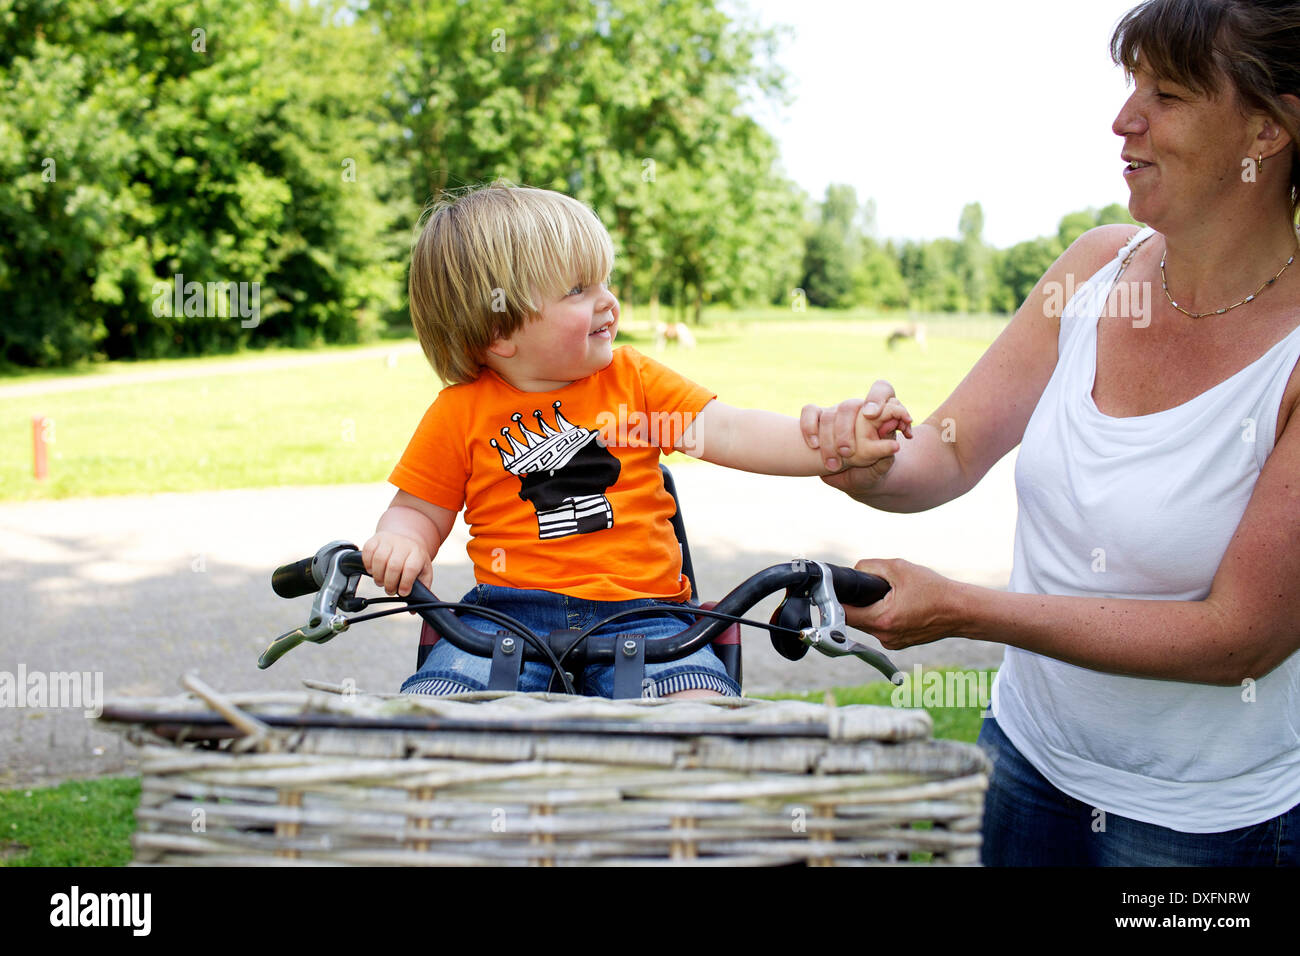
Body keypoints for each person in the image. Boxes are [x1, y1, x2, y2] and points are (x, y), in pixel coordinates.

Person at [801, 0, 1300, 865]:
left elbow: (1239, 639)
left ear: (1266, 131)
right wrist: (872, 459)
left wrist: (964, 609)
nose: (1123, 118)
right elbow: (950, 450)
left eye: (1168, 94)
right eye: (1129, 84)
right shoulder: (1095, 267)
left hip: (1205, 825)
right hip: (1025, 760)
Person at [363, 182, 908, 700]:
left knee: (700, 714)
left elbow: (731, 430)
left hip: (645, 617)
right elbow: (417, 510)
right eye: (579, 290)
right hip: (505, 618)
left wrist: (834, 444)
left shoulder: (635, 383)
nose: (609, 302)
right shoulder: (460, 412)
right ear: (501, 331)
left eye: (604, 281)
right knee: (438, 718)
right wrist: (402, 542)